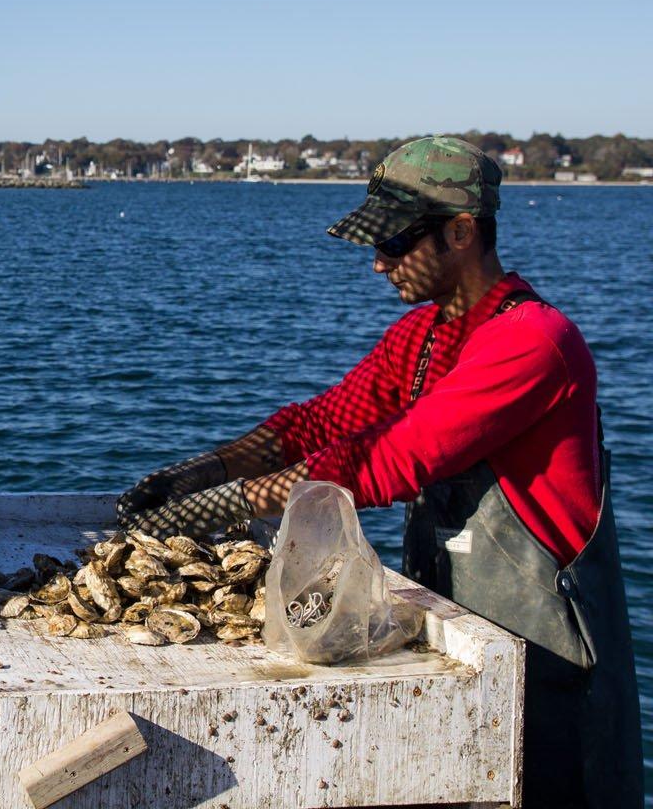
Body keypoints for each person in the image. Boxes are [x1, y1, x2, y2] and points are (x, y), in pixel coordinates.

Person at [118, 136, 641, 808]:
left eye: (395, 244)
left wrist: (217, 508)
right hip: (464, 641)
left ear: (460, 232)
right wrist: (202, 470)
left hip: (554, 672)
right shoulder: (425, 337)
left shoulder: (532, 342)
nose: (377, 264)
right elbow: (321, 421)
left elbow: (391, 462)